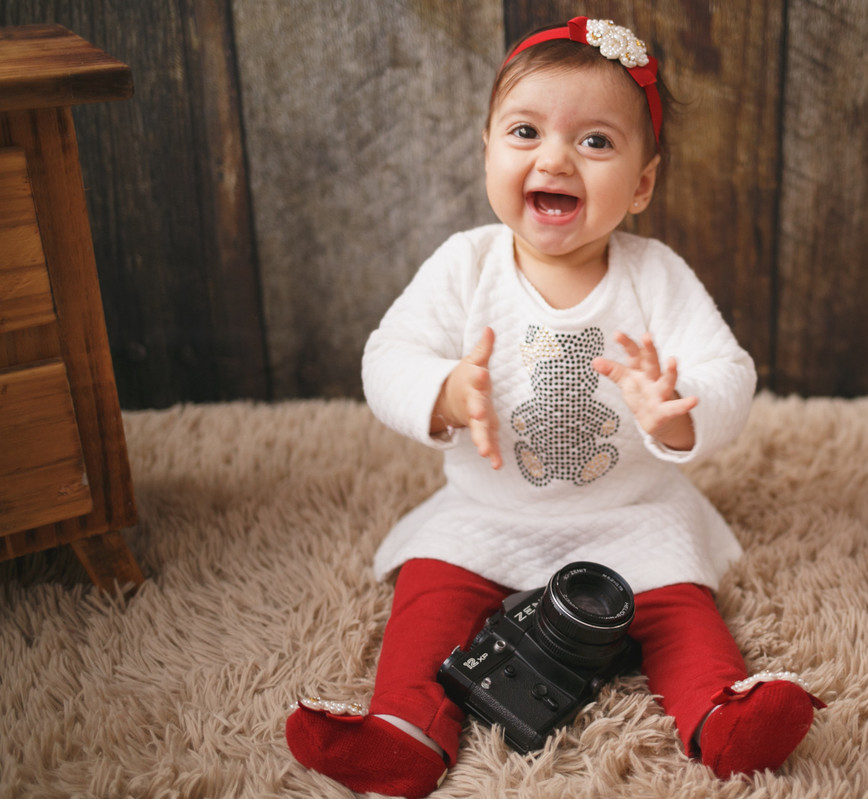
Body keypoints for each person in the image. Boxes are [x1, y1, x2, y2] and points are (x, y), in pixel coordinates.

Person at [286, 17, 824, 797]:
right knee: (428, 596)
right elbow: (386, 355)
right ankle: (405, 730)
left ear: (641, 184)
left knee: (680, 609)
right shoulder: (466, 265)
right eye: (526, 131)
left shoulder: (655, 276)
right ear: (488, 151)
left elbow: (727, 369)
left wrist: (677, 408)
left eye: (596, 142)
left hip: (631, 511)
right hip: (489, 507)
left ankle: (720, 714)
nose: (555, 157)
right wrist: (440, 391)